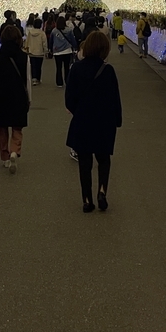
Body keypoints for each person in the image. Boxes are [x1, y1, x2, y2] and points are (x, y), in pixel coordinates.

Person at [65, 30, 122, 213]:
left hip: (83, 121)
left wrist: (79, 111)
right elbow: (115, 99)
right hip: (104, 122)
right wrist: (117, 120)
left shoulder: (76, 69)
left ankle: (87, 199)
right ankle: (102, 191)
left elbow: (69, 99)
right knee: (103, 158)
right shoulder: (108, 70)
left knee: (84, 162)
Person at [0, 24, 32, 173]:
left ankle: (5, 157)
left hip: (1, 95)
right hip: (19, 95)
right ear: (18, 39)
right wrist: (29, 98)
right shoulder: (24, 57)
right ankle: (14, 151)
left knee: (2, 126)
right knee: (17, 126)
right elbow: (28, 80)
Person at [50, 15, 78, 86]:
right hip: (67, 50)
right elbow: (72, 40)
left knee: (58, 68)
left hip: (57, 51)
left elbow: (51, 41)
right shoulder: (69, 30)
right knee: (67, 67)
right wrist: (75, 47)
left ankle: (59, 82)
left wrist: (50, 49)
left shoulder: (54, 31)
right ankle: (67, 81)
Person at [24, 13, 48, 85]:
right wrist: (46, 51)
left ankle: (34, 78)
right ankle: (38, 78)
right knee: (39, 65)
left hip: (31, 51)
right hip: (39, 52)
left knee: (33, 65)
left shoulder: (30, 33)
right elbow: (44, 43)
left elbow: (27, 41)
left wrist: (26, 48)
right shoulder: (42, 33)